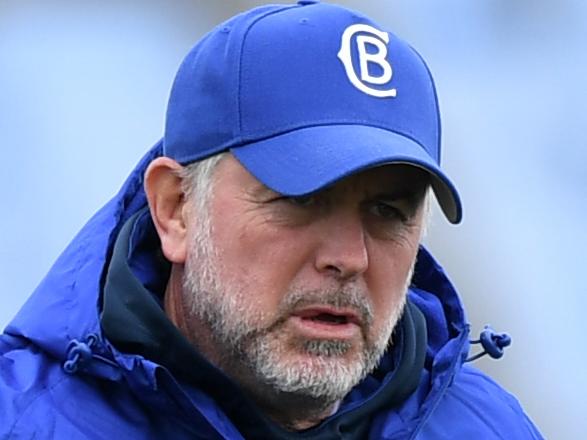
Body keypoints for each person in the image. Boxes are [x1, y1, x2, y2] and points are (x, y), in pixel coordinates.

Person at [0, 1, 543, 438]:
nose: (349, 257)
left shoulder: (490, 427)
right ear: (176, 209)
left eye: (388, 211)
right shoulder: (24, 422)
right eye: (300, 198)